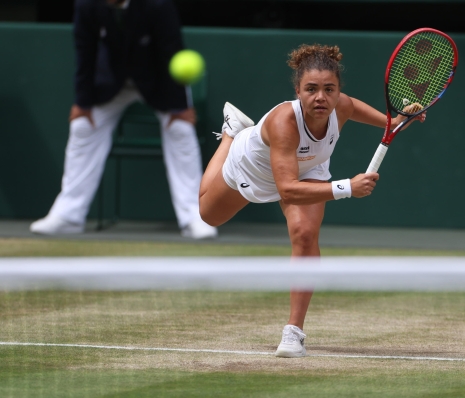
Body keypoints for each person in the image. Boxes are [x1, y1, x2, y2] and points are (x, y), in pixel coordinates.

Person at [199, 44, 425, 357]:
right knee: (208, 215)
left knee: (305, 235)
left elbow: (390, 123)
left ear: (338, 91)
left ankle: (293, 333)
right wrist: (347, 187)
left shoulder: (343, 106)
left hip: (309, 169)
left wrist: (403, 118)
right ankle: (231, 134)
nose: (321, 97)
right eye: (311, 89)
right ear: (298, 91)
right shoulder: (284, 123)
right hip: (255, 167)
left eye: (329, 89)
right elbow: (288, 190)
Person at [30, 0, 217, 239]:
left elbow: (171, 49)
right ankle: (68, 215)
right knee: (82, 126)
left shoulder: (158, 5)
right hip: (111, 83)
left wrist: (179, 106)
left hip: (158, 81)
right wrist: (83, 102)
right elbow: (85, 51)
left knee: (180, 130)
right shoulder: (87, 5)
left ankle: (195, 217)